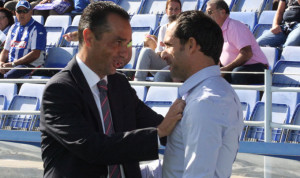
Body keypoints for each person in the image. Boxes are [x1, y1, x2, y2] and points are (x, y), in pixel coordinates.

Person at [40, 2, 185, 178]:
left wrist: (199, 133)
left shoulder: (119, 84)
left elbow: (155, 123)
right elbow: (92, 148)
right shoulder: (59, 90)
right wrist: (159, 133)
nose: (126, 53)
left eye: (129, 43)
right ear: (89, 38)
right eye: (118, 42)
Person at [161, 10, 244, 177]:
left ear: (191, 45)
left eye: (169, 45)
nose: (163, 54)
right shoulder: (215, 93)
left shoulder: (205, 102)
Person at [206, 0, 268, 85]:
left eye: (210, 12)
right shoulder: (216, 31)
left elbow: (246, 53)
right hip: (234, 68)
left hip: (257, 68)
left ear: (222, 12)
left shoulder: (235, 27)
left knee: (237, 73)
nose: (207, 15)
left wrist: (227, 69)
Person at [134, 0, 181, 81]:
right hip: (164, 61)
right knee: (146, 51)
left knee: (159, 76)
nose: (174, 12)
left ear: (180, 11)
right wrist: (166, 50)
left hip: (177, 64)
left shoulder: (183, 28)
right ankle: (138, 83)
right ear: (166, 11)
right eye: (171, 9)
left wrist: (168, 48)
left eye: (176, 9)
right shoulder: (163, 28)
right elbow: (159, 51)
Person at [0, 0, 46, 78]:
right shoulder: (13, 27)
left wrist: (13, 64)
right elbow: (5, 51)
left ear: (31, 12)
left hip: (29, 66)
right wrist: (1, 62)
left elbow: (35, 54)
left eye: (25, 11)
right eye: (19, 11)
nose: (22, 14)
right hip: (11, 64)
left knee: (7, 76)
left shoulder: (38, 28)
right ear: (15, 13)